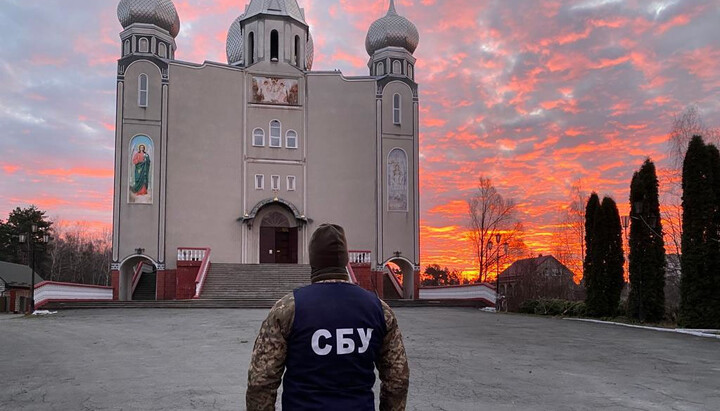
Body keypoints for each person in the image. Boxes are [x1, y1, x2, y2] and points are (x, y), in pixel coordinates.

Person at [247, 224, 409, 410]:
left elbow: (260, 381)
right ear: (344, 260)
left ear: (313, 260)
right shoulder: (379, 310)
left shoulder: (288, 309)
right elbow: (398, 378)